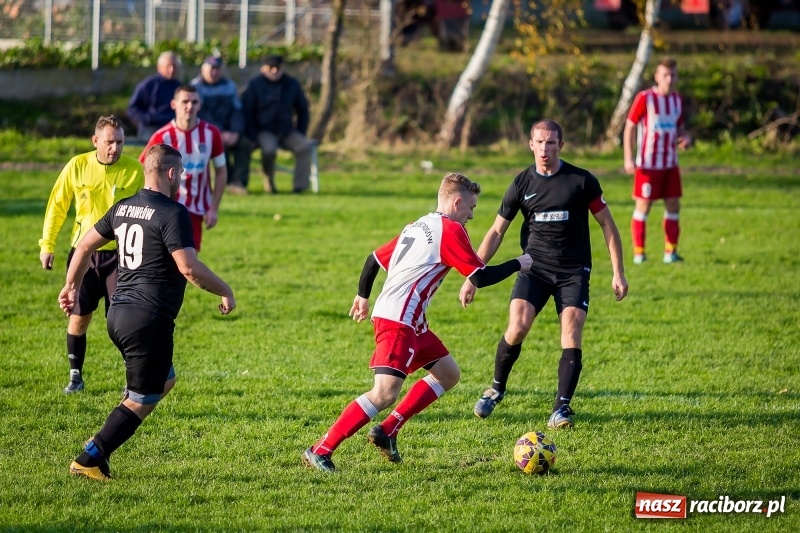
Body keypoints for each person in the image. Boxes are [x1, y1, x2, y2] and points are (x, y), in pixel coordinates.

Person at [303, 173, 533, 472]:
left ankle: (388, 430)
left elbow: (373, 259)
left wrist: (362, 296)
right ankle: (321, 449)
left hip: (411, 321)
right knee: (384, 393)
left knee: (448, 374)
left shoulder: (419, 225)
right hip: (399, 320)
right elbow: (479, 277)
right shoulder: (450, 230)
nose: (472, 215)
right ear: (457, 201)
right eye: (471, 208)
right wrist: (520, 262)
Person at [62, 143, 236, 481]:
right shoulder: (173, 213)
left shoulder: (123, 207)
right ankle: (91, 456)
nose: (183, 178)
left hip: (119, 315)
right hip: (148, 319)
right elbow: (189, 267)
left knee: (165, 378)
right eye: (181, 172)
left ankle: (112, 427)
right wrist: (225, 290)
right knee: (144, 397)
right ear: (171, 173)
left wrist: (71, 284)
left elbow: (83, 245)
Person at [460, 119, 628, 430]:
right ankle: (496, 389)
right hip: (533, 267)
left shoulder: (581, 181)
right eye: (540, 142)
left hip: (573, 270)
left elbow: (608, 225)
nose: (545, 148)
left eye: (551, 142)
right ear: (531, 145)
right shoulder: (521, 183)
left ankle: (561, 409)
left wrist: (618, 271)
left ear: (560, 146)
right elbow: (496, 231)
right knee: (518, 327)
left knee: (571, 333)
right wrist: (473, 275)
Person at [39, 115, 144, 394]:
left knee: (122, 321)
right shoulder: (77, 166)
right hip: (83, 255)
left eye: (120, 142)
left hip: (121, 257)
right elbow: (57, 205)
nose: (115, 148)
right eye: (109, 142)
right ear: (95, 141)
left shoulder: (135, 170)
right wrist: (47, 244)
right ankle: (76, 377)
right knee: (79, 317)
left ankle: (130, 381)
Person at [140, 85, 227, 252]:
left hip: (195, 210)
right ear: (174, 104)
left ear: (200, 105)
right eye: (185, 101)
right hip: (164, 209)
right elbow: (142, 168)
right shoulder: (162, 136)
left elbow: (221, 171)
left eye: (194, 102)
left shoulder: (211, 134)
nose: (190, 106)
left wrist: (214, 208)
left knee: (190, 261)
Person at [623, 56, 692, 265]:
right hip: (647, 165)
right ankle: (639, 254)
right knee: (644, 205)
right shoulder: (645, 98)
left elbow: (678, 127)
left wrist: (686, 137)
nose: (669, 79)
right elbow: (630, 126)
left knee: (673, 204)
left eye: (672, 75)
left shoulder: (677, 100)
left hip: (670, 164)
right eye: (665, 75)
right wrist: (628, 157)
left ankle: (670, 253)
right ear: (657, 76)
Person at [241, 54, 314, 194]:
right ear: (263, 68)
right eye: (271, 68)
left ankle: (300, 187)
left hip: (287, 130)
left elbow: (303, 109)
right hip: (264, 130)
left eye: (278, 68)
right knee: (269, 150)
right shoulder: (255, 85)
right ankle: (269, 182)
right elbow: (247, 111)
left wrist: (301, 131)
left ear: (283, 68)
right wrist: (252, 135)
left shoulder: (292, 84)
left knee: (305, 147)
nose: (275, 71)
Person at [190, 55, 251, 196]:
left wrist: (235, 131)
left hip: (229, 132)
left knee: (245, 144)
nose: (214, 72)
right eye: (211, 69)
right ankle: (226, 181)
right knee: (220, 146)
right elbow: (201, 114)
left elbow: (237, 110)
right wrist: (219, 132)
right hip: (205, 132)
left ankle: (239, 182)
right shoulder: (195, 87)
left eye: (217, 69)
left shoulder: (229, 86)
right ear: (203, 69)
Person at [127, 51, 182, 141]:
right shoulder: (148, 85)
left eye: (174, 66)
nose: (171, 69)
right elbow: (132, 109)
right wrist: (148, 119)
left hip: (175, 127)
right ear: (159, 67)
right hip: (151, 128)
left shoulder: (180, 87)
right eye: (168, 66)